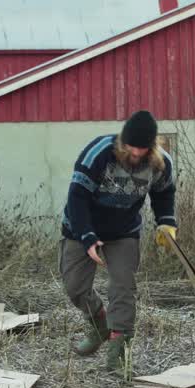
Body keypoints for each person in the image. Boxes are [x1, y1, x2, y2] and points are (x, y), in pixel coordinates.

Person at [59, 110, 177, 373]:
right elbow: (77, 198)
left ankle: (118, 355)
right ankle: (99, 324)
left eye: (142, 150)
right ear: (122, 142)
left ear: (152, 147)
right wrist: (87, 237)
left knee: (123, 288)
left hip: (124, 232)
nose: (136, 154)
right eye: (131, 148)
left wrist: (167, 222)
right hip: (81, 227)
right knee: (75, 287)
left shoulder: (161, 163)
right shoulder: (98, 153)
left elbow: (164, 193)